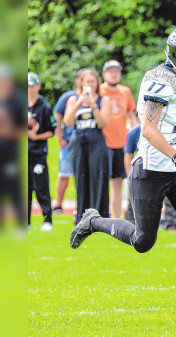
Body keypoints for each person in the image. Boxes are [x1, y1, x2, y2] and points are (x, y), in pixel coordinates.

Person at [69, 25, 176, 308]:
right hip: (152, 167)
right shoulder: (160, 80)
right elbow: (148, 128)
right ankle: (93, 221)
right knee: (143, 241)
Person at [64, 68, 111, 222]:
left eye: (92, 81)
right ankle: (81, 217)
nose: (90, 84)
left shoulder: (103, 100)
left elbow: (103, 122)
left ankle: (99, 217)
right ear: (81, 83)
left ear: (97, 82)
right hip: (78, 143)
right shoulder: (73, 99)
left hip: (96, 141)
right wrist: (79, 101)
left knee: (98, 179)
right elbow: (68, 121)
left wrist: (93, 105)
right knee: (81, 179)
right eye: (87, 81)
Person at [100, 60, 138, 218]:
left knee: (117, 182)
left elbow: (131, 115)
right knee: (101, 182)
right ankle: (99, 216)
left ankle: (115, 219)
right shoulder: (99, 90)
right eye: (110, 71)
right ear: (104, 74)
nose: (114, 74)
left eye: (116, 71)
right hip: (102, 142)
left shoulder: (125, 91)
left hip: (121, 142)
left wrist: (137, 136)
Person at [27, 72, 56, 231]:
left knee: (41, 187)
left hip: (38, 154)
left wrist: (35, 136)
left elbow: (52, 130)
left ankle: (47, 220)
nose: (29, 89)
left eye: (32, 86)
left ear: (38, 86)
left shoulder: (44, 107)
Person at [52, 70, 83, 215]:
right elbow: (57, 117)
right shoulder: (68, 96)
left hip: (85, 142)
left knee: (81, 175)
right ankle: (58, 204)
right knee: (64, 174)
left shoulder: (93, 97)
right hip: (69, 141)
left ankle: (81, 205)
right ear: (77, 80)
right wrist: (59, 138)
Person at [0, 65, 27, 229]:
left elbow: (24, 129)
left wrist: (8, 131)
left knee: (14, 188)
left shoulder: (17, 102)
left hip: (10, 153)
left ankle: (20, 226)